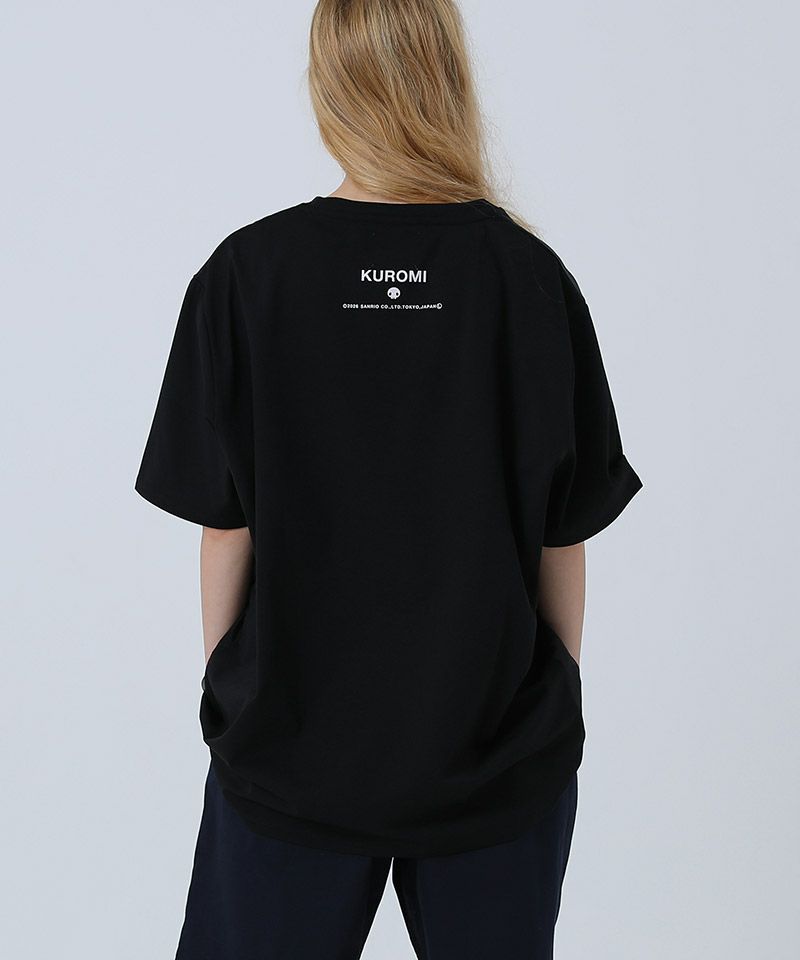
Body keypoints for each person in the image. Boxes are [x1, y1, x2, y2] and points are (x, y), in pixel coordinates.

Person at [134, 1, 643, 957]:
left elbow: (225, 526)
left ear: (329, 85)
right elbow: (562, 534)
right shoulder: (527, 276)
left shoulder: (248, 274)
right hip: (495, 755)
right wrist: (551, 692)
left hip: (289, 753)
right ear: (448, 79)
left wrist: (237, 692)